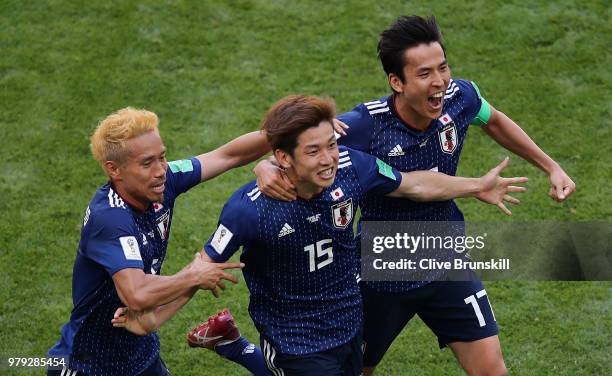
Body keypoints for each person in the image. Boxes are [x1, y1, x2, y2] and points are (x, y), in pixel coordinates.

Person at [254, 16, 575, 376]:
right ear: (397, 81)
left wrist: (551, 166)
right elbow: (299, 145)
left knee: (491, 371)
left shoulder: (460, 97)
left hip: (446, 260)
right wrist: (266, 166)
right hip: (381, 272)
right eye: (424, 74)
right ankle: (239, 348)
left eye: (443, 67)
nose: (439, 82)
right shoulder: (364, 125)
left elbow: (494, 119)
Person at [118, 95, 527, 376]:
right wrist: (154, 318)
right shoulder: (249, 207)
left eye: (330, 145)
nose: (329, 158)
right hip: (294, 339)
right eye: (313, 151)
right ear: (282, 158)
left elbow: (413, 184)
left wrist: (475, 186)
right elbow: (202, 267)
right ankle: (239, 345)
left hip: (349, 322)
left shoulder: (355, 167)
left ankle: (232, 343)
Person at [47, 107, 273, 376]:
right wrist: (193, 275)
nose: (160, 171)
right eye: (147, 163)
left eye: (162, 157)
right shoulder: (109, 220)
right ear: (114, 169)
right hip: (86, 366)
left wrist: (291, 135)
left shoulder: (163, 180)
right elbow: (137, 293)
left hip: (140, 356)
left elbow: (228, 155)